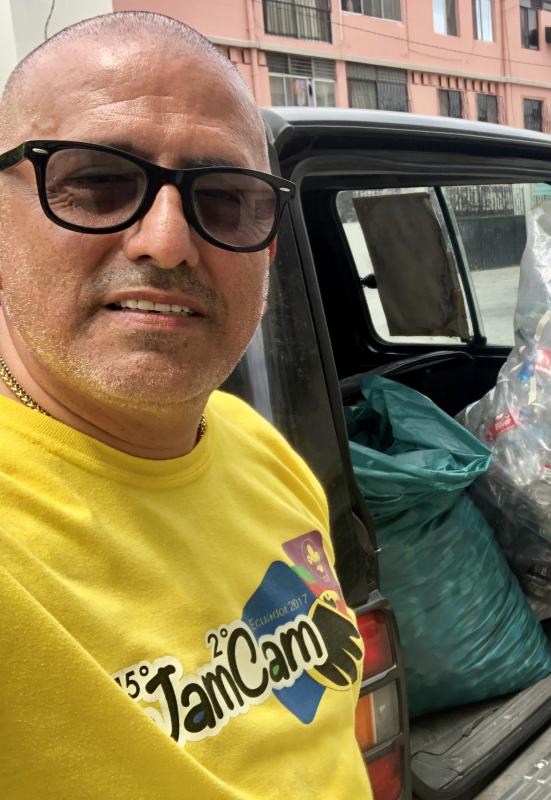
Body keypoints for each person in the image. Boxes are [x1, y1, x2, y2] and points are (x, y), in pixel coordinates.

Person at [0, 13, 371, 798]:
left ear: (268, 249)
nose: (165, 241)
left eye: (226, 197)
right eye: (97, 183)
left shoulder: (254, 446)